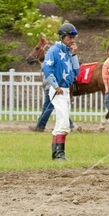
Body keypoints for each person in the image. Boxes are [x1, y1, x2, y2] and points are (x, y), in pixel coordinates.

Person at [41, 23, 80, 160]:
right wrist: (55, 85)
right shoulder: (54, 50)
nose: (72, 40)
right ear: (62, 36)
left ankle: (57, 154)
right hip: (58, 90)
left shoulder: (69, 52)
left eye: (73, 37)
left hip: (65, 90)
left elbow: (76, 71)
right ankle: (59, 154)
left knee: (60, 123)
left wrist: (74, 55)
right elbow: (46, 68)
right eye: (70, 37)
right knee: (64, 122)